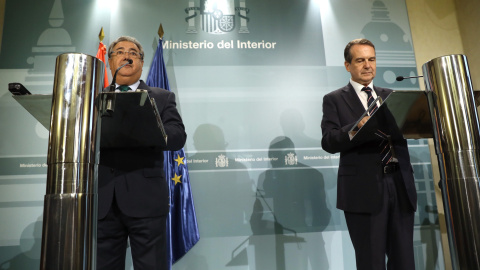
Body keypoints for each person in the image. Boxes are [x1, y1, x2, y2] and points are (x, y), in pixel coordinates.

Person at [321, 38, 417, 269]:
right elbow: (329, 141)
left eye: (372, 59)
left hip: (399, 184)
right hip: (363, 191)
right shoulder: (334, 99)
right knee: (371, 261)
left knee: (404, 260)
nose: (367, 65)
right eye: (360, 60)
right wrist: (359, 126)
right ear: (348, 66)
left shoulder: (392, 95)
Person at [97, 36, 187, 270]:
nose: (126, 56)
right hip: (104, 200)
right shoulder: (95, 100)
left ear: (141, 62)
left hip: (146, 201)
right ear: (109, 61)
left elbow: (177, 136)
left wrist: (148, 128)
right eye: (119, 52)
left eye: (133, 53)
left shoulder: (161, 97)